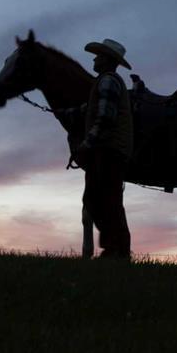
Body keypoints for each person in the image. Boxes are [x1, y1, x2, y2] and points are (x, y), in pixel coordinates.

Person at [55, 38, 134, 259]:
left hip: (108, 150)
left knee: (102, 199)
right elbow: (90, 109)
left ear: (107, 60)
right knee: (103, 199)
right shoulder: (105, 82)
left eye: (98, 55)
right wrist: (63, 113)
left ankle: (116, 251)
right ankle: (116, 250)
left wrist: (86, 145)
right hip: (111, 150)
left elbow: (104, 119)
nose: (95, 58)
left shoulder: (107, 81)